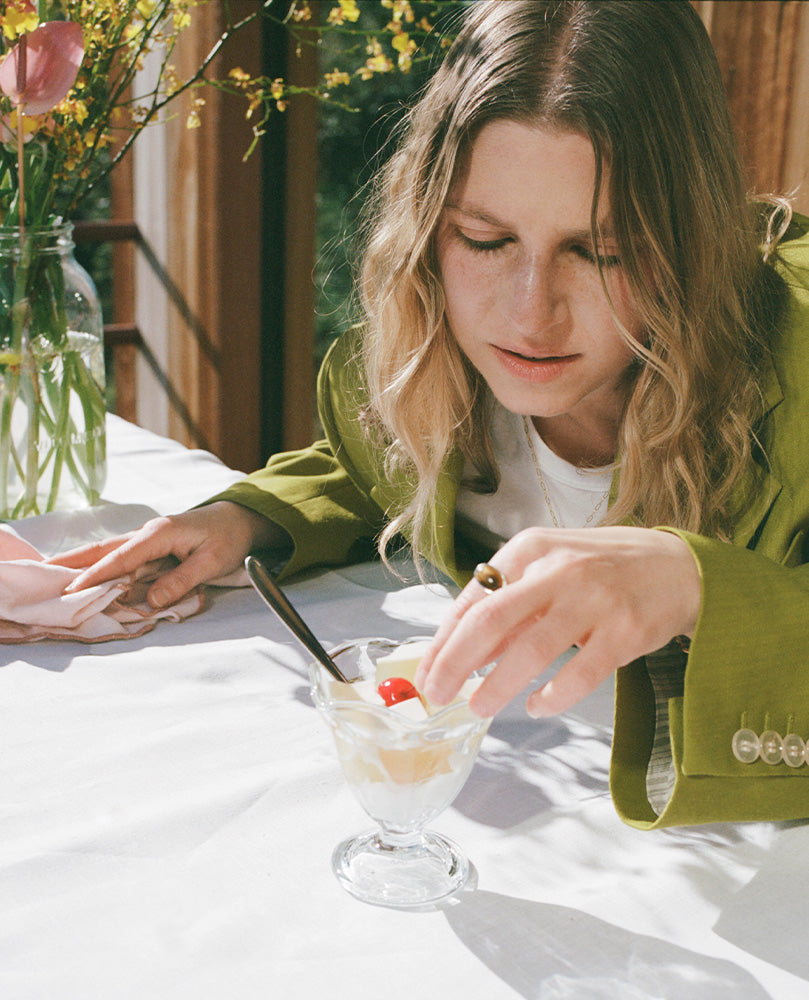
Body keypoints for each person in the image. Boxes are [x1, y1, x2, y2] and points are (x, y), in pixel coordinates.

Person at [57, 0, 809, 829]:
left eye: (601, 252)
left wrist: (696, 588)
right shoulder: (419, 361)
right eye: (485, 241)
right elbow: (378, 463)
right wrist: (250, 517)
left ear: (691, 236)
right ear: (424, 229)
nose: (530, 317)